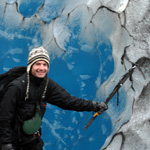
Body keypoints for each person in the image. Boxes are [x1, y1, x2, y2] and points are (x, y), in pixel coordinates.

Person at [0, 47, 108, 150]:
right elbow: (4, 116)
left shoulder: (46, 84)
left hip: (31, 141)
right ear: (30, 66)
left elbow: (68, 101)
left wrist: (94, 106)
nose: (42, 68)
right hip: (13, 142)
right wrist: (6, 144)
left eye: (45, 65)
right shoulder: (16, 87)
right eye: (37, 64)